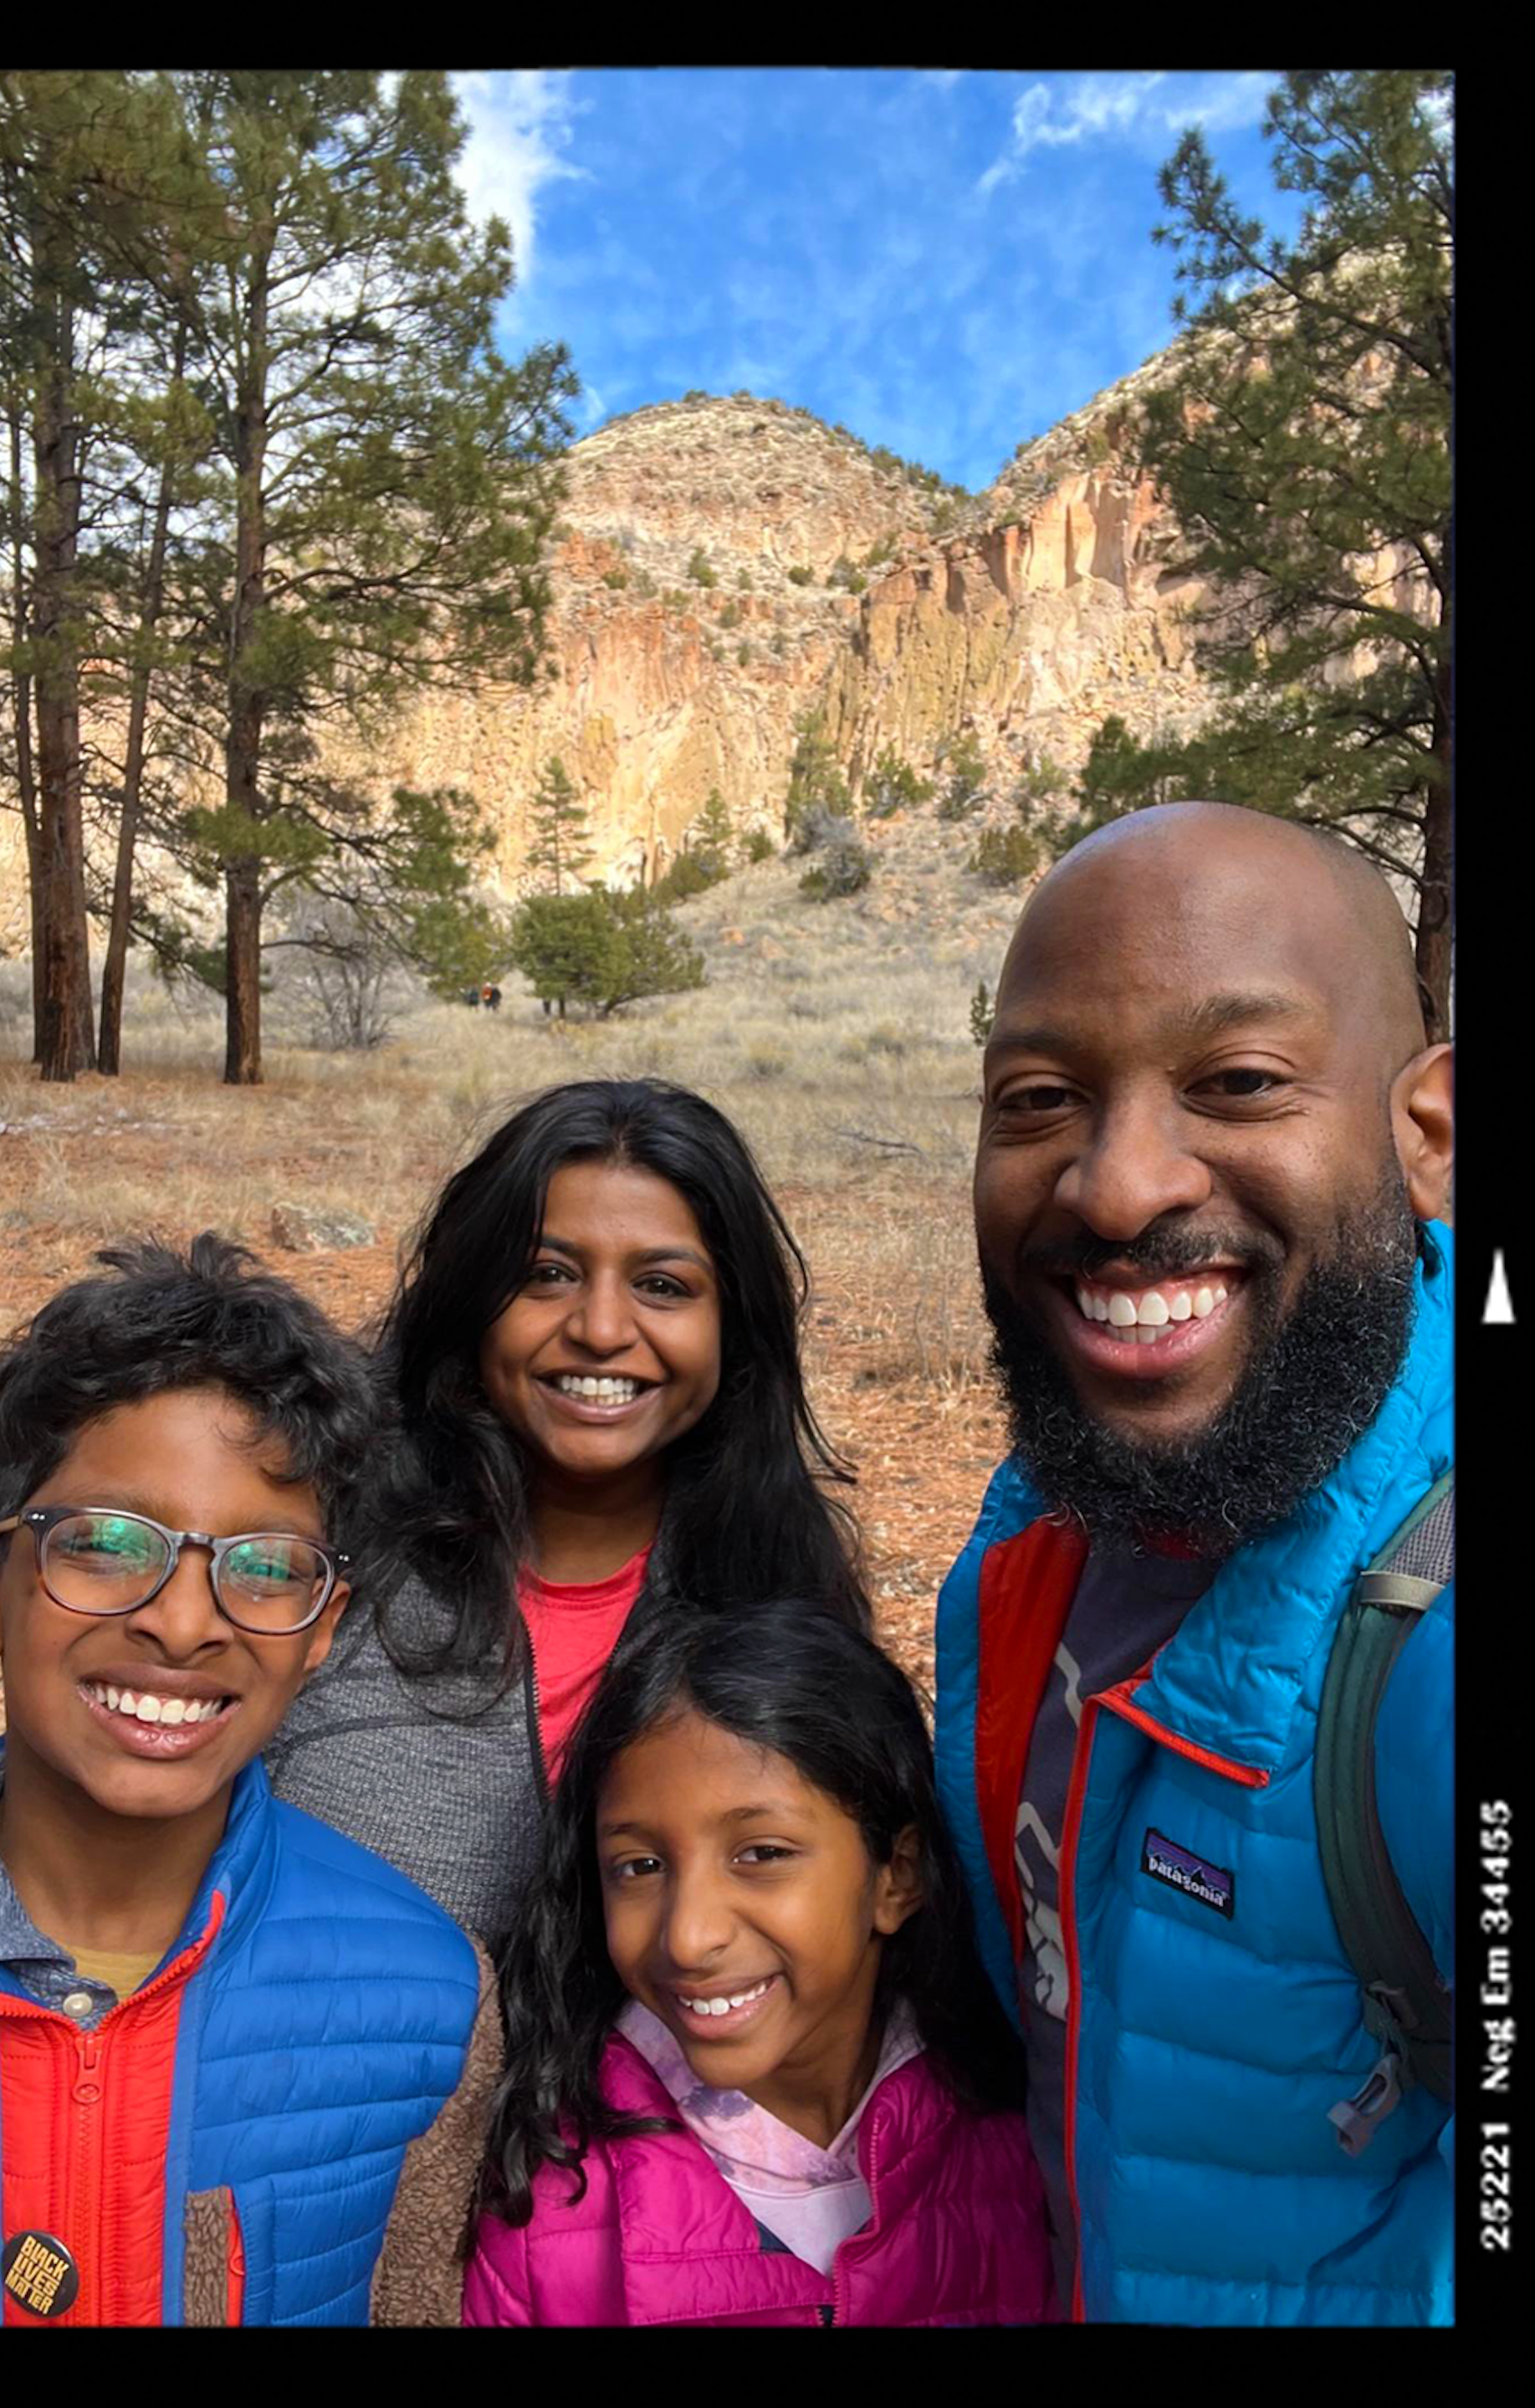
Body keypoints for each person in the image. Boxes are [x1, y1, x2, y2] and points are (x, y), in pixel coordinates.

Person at [939, 800, 1454, 2323]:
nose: (1116, 1185)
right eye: (1041, 1097)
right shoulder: (1032, 1520)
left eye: (1235, 1081)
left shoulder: (1425, 1645)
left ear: (1427, 1135)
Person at [0, 1236, 498, 2325]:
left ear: (320, 1632)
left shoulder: (429, 1999)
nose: (181, 1620)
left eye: (264, 1568)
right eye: (109, 1541)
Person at [269, 1079, 868, 1934]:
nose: (599, 1327)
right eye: (546, 1274)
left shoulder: (787, 1597)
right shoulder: (326, 1546)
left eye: (663, 1285)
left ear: (734, 1329)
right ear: (471, 1303)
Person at [463, 1601, 1049, 2323]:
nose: (688, 1937)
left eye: (762, 1854)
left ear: (896, 1877)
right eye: (640, 1865)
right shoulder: (551, 2204)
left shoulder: (1026, 2147)